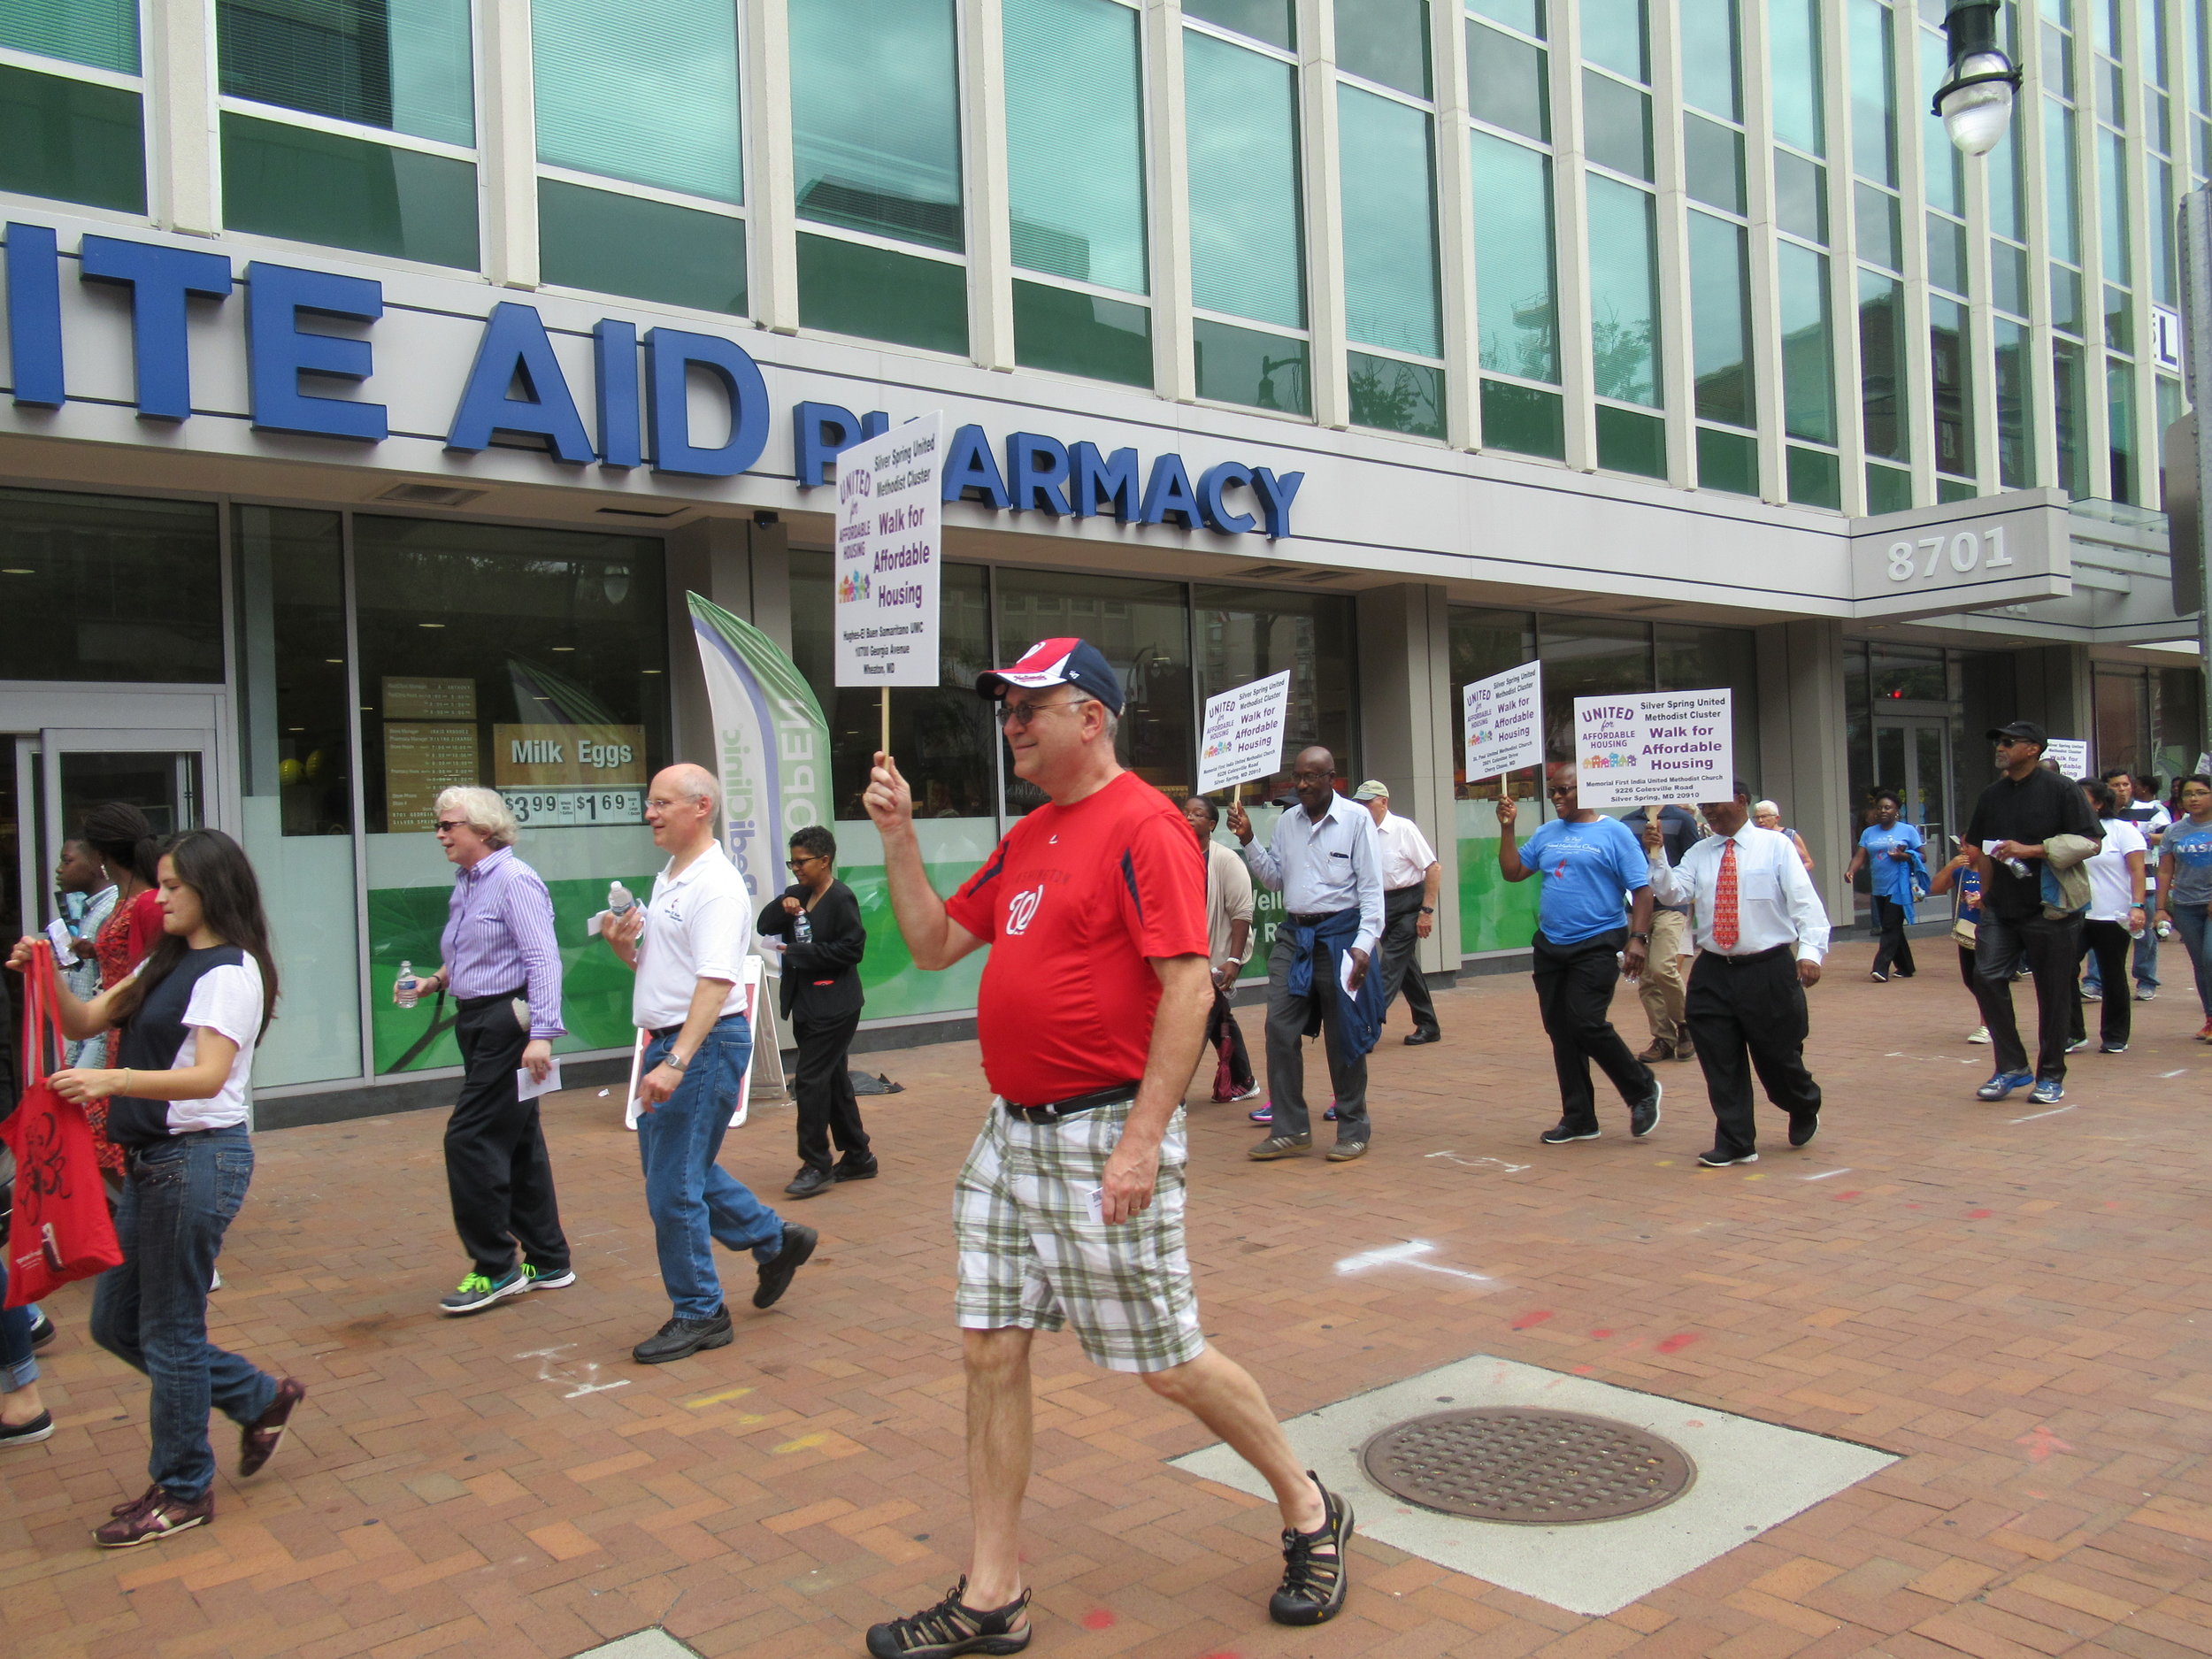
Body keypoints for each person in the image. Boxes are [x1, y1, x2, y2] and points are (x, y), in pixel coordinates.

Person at [859, 636, 1353, 1656]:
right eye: (1005, 709)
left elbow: (1188, 986)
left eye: (1028, 707)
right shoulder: (1033, 832)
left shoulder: (1148, 827)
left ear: (1090, 715)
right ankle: (993, 1595)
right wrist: (899, 840)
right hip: (1010, 1137)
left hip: (1101, 1134)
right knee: (989, 1349)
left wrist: (1140, 1142)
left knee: (1166, 1360)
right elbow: (935, 944)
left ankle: (1309, 1506)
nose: (1010, 725)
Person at [6, 828, 304, 1547]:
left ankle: (183, 1487)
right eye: (160, 883)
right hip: (155, 1161)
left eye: (173, 886)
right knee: (115, 1322)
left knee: (170, 1333)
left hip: (198, 1159)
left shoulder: (231, 970)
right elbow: (81, 1018)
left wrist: (111, 1079)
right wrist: (42, 971)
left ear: (211, 888)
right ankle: (256, 1397)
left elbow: (206, 1075)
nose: (158, 896)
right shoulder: (165, 959)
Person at [601, 764, 816, 1364]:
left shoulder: (716, 885)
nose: (651, 812)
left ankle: (701, 1311)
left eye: (662, 803)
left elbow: (717, 981)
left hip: (699, 1046)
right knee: (679, 1171)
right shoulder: (672, 874)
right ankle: (776, 1240)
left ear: (700, 807)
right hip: (671, 1043)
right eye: (650, 802)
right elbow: (666, 965)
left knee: (673, 1186)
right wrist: (627, 949)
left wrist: (675, 1058)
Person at [401, 787, 573, 1317]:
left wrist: (542, 1033)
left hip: (507, 1022)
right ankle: (547, 1259)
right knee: (518, 1140)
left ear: (483, 829)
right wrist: (435, 981)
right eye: (440, 824)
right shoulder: (469, 882)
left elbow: (542, 959)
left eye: (449, 824)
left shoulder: (514, 880)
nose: (440, 834)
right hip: (476, 1019)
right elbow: (473, 949)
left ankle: (495, 1266)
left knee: (469, 1138)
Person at [1641, 781, 1828, 1166]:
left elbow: (1806, 905)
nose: (1708, 811)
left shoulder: (1775, 847)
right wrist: (1657, 856)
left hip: (1767, 969)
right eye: (1704, 805)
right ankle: (1736, 1140)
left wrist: (1809, 953)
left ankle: (1802, 1102)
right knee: (1720, 1059)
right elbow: (1674, 894)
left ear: (1742, 801)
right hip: (1714, 971)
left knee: (1778, 1060)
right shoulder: (1699, 852)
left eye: (1716, 803)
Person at [1228, 747, 1384, 1163]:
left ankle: (1353, 1128)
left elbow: (1371, 890)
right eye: (1296, 777)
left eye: (1311, 777)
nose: (1301, 785)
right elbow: (1276, 877)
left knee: (1342, 1035)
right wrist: (1248, 840)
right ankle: (1290, 1129)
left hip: (1342, 938)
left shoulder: (1356, 820)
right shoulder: (1288, 822)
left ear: (1332, 777)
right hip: (1295, 938)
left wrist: (1364, 946)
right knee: (1279, 1028)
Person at [1497, 760, 1663, 1145]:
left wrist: (1638, 938)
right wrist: (1507, 829)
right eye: (1553, 791)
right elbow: (1513, 871)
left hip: (1598, 941)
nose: (1556, 797)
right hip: (1552, 944)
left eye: (1564, 790)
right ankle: (1579, 1118)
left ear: (1586, 789)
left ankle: (1641, 1089)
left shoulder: (1615, 833)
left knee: (1586, 1022)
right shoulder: (1547, 833)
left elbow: (1642, 890)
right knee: (1561, 1031)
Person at [1962, 721, 2104, 1103]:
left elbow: (2092, 842)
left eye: (2009, 742)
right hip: (2001, 909)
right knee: (1986, 978)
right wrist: (1984, 897)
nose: (2001, 748)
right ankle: (2011, 1067)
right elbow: (1982, 849)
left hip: (2051, 907)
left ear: (2033, 749)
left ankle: (2051, 1076)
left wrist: (2033, 850)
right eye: (1999, 742)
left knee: (2053, 992)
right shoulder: (1992, 795)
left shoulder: (2062, 789)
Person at [756, 825, 874, 1199]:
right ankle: (858, 1155)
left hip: (835, 1004)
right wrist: (783, 905)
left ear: (825, 860)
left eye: (802, 861)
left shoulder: (841, 899)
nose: (796, 868)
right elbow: (764, 925)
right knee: (833, 1077)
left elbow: (851, 950)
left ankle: (816, 1164)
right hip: (805, 1003)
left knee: (809, 1080)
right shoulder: (797, 893)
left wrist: (804, 955)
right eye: (792, 862)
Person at [81, 802, 165, 1178]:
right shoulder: (126, 896)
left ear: (100, 854)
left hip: (131, 1025)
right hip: (115, 1023)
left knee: (107, 1128)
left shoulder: (146, 902)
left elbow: (153, 972)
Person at [1181, 795, 1259, 1102]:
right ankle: (1243, 1081)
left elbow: (1242, 914)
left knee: (1195, 1019)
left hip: (1216, 958)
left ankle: (1174, 1095)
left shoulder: (1225, 860)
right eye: (1185, 812)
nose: (1188, 818)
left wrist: (1233, 959)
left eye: (1197, 814)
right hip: (1185, 957)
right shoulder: (1172, 856)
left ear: (1211, 825)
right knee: (1218, 1017)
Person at [1353, 780, 1443, 1047]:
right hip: (1379, 905)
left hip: (1407, 904)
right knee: (1406, 969)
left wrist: (1426, 911)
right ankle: (1429, 1025)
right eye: (1359, 803)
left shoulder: (1403, 829)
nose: (1363, 808)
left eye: (1367, 802)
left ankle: (1367, 1026)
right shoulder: (1360, 833)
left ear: (1384, 802)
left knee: (1389, 967)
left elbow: (1433, 868)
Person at [2068, 777, 2146, 1056]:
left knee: (2112, 975)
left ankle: (2115, 1035)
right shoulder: (2068, 831)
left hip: (2113, 915)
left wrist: (2138, 905)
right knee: (2063, 969)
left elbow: (2137, 871)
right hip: (2075, 914)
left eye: (2083, 798)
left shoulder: (2123, 831)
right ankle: (2072, 1033)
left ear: (2099, 803)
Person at [1622, 802, 1701, 1062]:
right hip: (1637, 906)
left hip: (1671, 904)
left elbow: (1694, 862)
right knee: (1645, 977)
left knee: (1661, 967)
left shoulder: (1682, 819)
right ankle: (1663, 1038)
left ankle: (1685, 1022)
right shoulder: (1627, 821)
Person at [2154, 774, 2212, 1041]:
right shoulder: (2174, 831)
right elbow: (2165, 870)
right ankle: (2209, 1018)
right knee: (2201, 964)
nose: (2194, 798)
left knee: (2211, 959)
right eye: (2188, 794)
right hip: (2186, 906)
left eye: (2201, 792)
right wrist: (2161, 907)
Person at [1844, 791, 1924, 981]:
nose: (1883, 811)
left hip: (1899, 886)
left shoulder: (1907, 831)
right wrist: (1851, 871)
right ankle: (1906, 966)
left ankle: (1880, 967)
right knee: (1893, 926)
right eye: (1879, 808)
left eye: (1887, 807)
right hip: (1878, 887)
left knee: (1889, 926)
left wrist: (1904, 856)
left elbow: (1922, 856)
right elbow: (1859, 855)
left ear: (1897, 810)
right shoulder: (1869, 832)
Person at [53, 838, 119, 1066]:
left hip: (98, 1037)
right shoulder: (92, 909)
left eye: (67, 860)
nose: (59, 869)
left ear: (96, 862)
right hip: (87, 1037)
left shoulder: (110, 909)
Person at [1928, 847, 1990, 1044]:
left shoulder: (1993, 869)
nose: (1963, 850)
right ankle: (1995, 1017)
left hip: (1990, 931)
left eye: (1967, 846)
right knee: (1970, 979)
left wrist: (1985, 900)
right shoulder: (1962, 871)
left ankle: (1986, 1025)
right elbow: (1936, 888)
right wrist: (1950, 866)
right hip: (1967, 930)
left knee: (1984, 979)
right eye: (1961, 846)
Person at [1753, 801, 1816, 872]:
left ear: (1777, 818)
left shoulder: (1789, 835)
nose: (1760, 820)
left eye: (1764, 816)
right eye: (1757, 817)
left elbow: (1808, 863)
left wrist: (1794, 873)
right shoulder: (1754, 838)